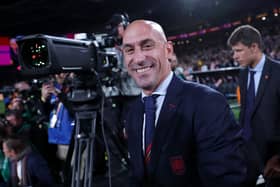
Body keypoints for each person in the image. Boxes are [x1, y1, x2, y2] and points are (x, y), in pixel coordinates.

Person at [122, 20, 245, 187]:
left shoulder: (207, 102)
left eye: (147, 46)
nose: (138, 58)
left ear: (168, 50)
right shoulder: (133, 113)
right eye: (129, 50)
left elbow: (227, 181)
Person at [227, 24, 280, 187]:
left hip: (273, 156)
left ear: (254, 47)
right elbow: (246, 109)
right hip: (247, 151)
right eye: (233, 51)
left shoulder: (277, 72)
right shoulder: (243, 74)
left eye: (238, 50)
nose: (234, 56)